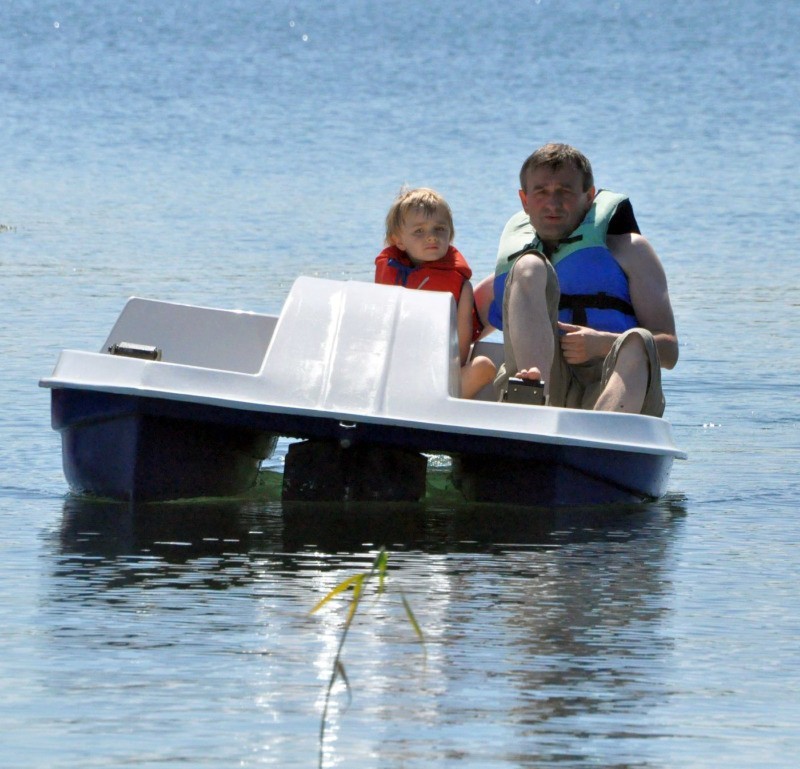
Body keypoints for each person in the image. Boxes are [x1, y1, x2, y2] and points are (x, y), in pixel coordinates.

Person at [484, 143, 678, 415]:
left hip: (612, 385)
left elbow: (669, 351)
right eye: (541, 192)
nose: (553, 203)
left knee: (638, 342)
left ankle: (601, 435)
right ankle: (530, 400)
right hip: (544, 388)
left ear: (589, 198)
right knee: (528, 265)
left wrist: (602, 343)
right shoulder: (521, 272)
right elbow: (463, 322)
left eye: (564, 192)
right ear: (524, 200)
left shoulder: (631, 251)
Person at [375, 187, 496, 399]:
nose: (431, 237)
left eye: (439, 229)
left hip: (440, 371)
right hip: (397, 368)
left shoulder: (461, 285)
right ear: (399, 241)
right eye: (419, 231)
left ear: (451, 234)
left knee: (483, 366)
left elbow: (462, 346)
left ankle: (435, 406)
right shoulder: (392, 275)